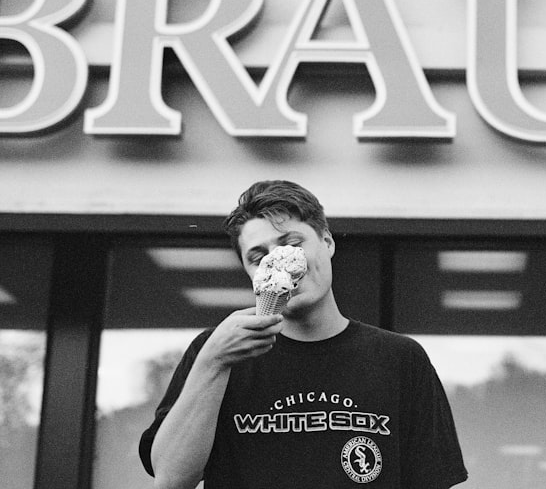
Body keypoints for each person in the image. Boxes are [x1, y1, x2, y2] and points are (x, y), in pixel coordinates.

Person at [139, 180, 468, 489]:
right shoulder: (217, 351)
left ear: (327, 242)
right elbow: (170, 479)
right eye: (257, 256)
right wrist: (214, 361)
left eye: (291, 243)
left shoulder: (400, 358)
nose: (277, 262)